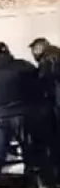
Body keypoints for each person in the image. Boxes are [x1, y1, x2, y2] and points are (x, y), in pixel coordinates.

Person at [0, 41, 51, 188]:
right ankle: (35, 185)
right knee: (29, 151)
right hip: (21, 114)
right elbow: (38, 85)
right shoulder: (22, 67)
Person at [30, 36, 60, 175]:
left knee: (53, 142)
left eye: (34, 49)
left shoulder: (48, 60)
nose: (33, 53)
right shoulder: (55, 56)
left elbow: (43, 82)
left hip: (54, 106)